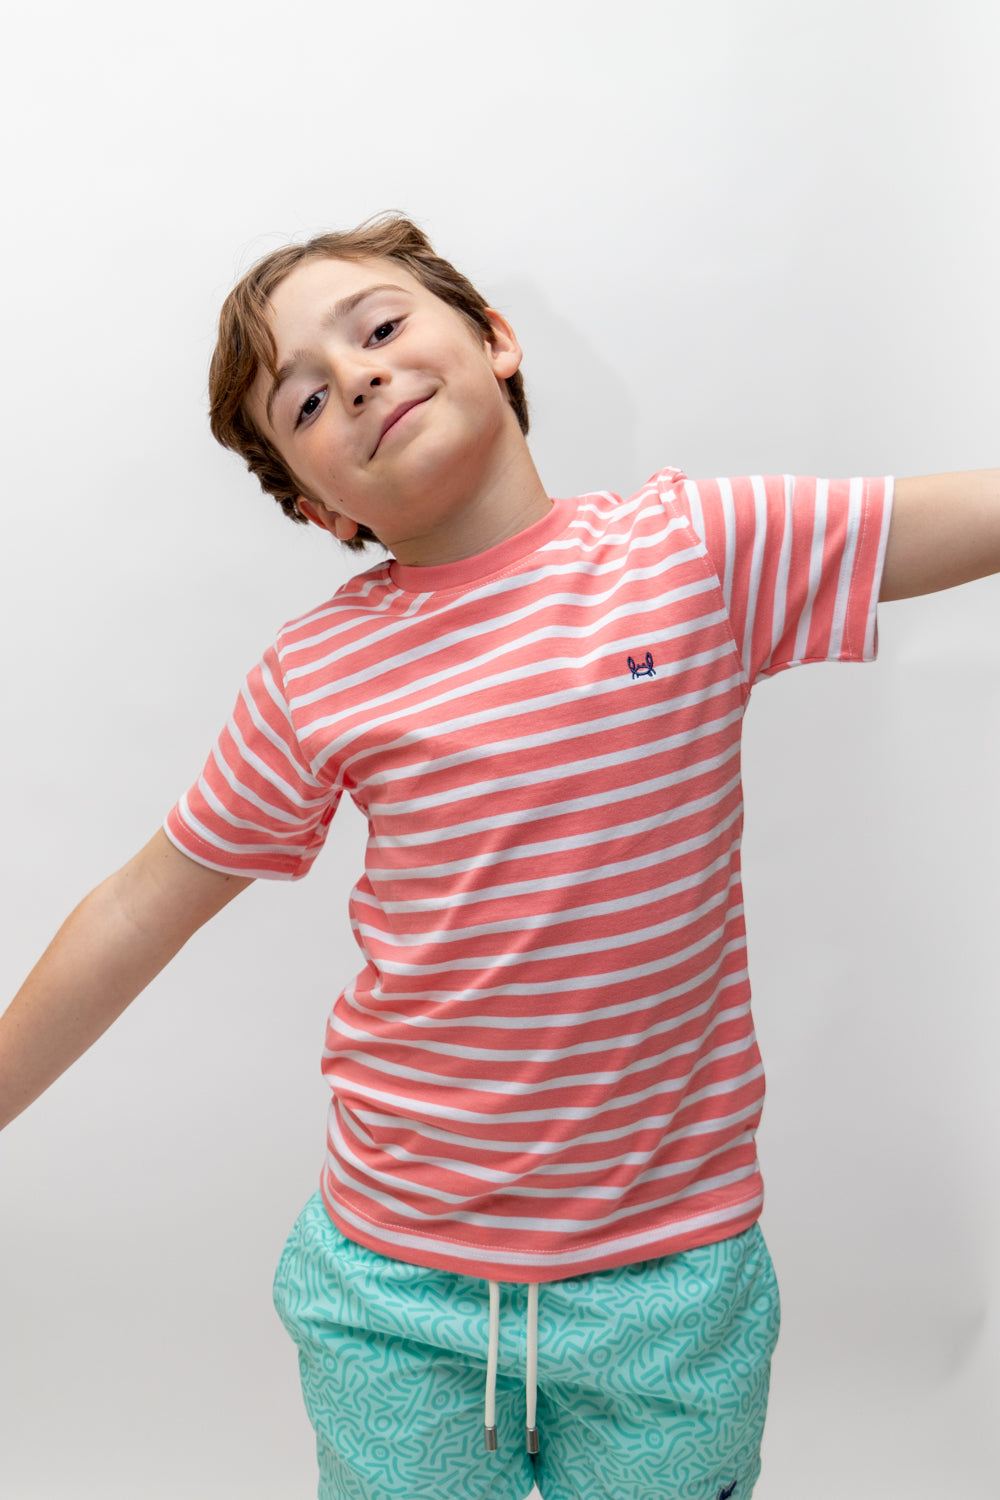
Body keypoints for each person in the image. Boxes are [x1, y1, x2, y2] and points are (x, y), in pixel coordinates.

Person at [1, 214, 997, 1500]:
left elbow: (962, 519)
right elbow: (144, 903)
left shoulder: (691, 552)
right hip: (392, 1290)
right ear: (317, 507)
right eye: (307, 399)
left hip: (670, 1288)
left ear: (494, 339)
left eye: (378, 328)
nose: (358, 375)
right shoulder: (316, 675)